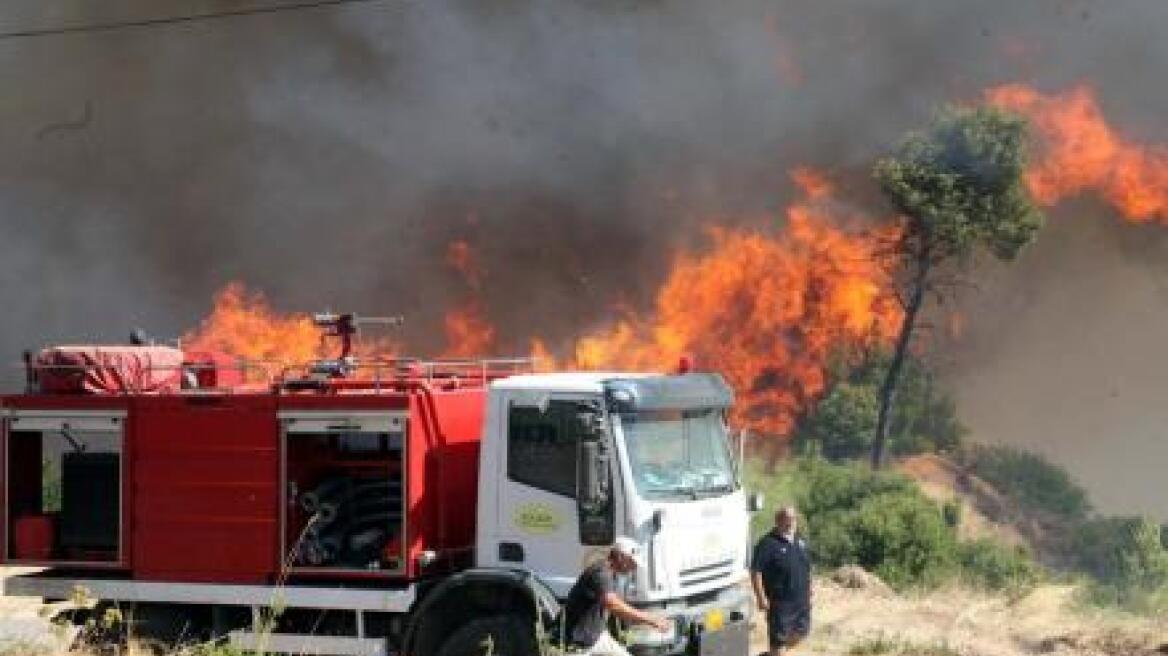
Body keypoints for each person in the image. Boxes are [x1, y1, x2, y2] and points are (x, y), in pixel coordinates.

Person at [560, 537, 672, 656]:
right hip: (577, 643)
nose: (634, 567)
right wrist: (651, 619)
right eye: (632, 562)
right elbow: (613, 604)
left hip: (597, 637)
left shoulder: (611, 573)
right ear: (620, 557)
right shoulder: (600, 572)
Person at [751, 506, 812, 656]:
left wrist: (810, 587)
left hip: (801, 600)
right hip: (780, 603)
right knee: (779, 644)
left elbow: (806, 566)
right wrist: (761, 598)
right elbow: (756, 572)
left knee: (801, 634)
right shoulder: (767, 543)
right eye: (788, 519)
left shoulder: (799, 541)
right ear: (778, 521)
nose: (792, 522)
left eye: (794, 519)